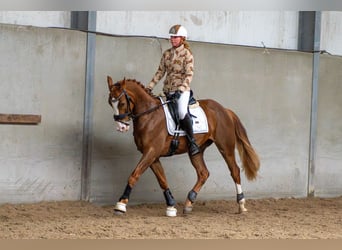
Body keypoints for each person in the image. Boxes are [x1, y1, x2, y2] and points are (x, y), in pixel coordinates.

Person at [147, 24, 200, 156]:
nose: (172, 39)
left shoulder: (187, 55)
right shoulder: (167, 54)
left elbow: (189, 75)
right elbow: (160, 72)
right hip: (168, 91)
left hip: (182, 91)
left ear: (182, 38)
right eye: (171, 37)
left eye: (175, 37)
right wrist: (149, 86)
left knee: (182, 112)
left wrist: (180, 90)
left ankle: (192, 141)